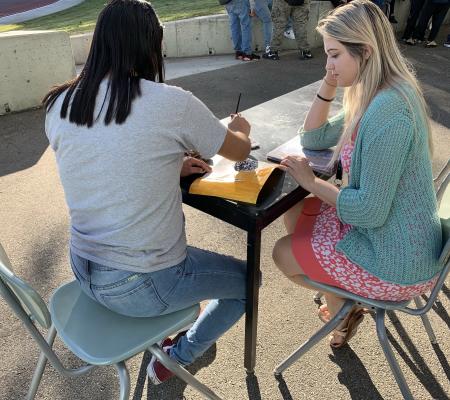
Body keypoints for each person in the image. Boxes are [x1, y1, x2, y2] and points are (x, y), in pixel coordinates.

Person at [44, 0, 252, 385]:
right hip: (143, 284)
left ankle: (168, 340)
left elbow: (100, 161)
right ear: (150, 45)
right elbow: (238, 152)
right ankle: (177, 357)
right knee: (246, 282)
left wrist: (168, 166)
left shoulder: (60, 103)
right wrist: (241, 128)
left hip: (83, 268)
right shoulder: (170, 103)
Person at [272, 0, 442, 347]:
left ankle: (344, 309)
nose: (328, 64)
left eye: (334, 55)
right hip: (390, 235)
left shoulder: (387, 113)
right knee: (295, 209)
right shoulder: (378, 91)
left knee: (282, 252)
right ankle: (340, 303)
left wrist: (312, 181)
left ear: (364, 50)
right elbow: (314, 136)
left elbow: (368, 210)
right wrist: (329, 82)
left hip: (397, 262)